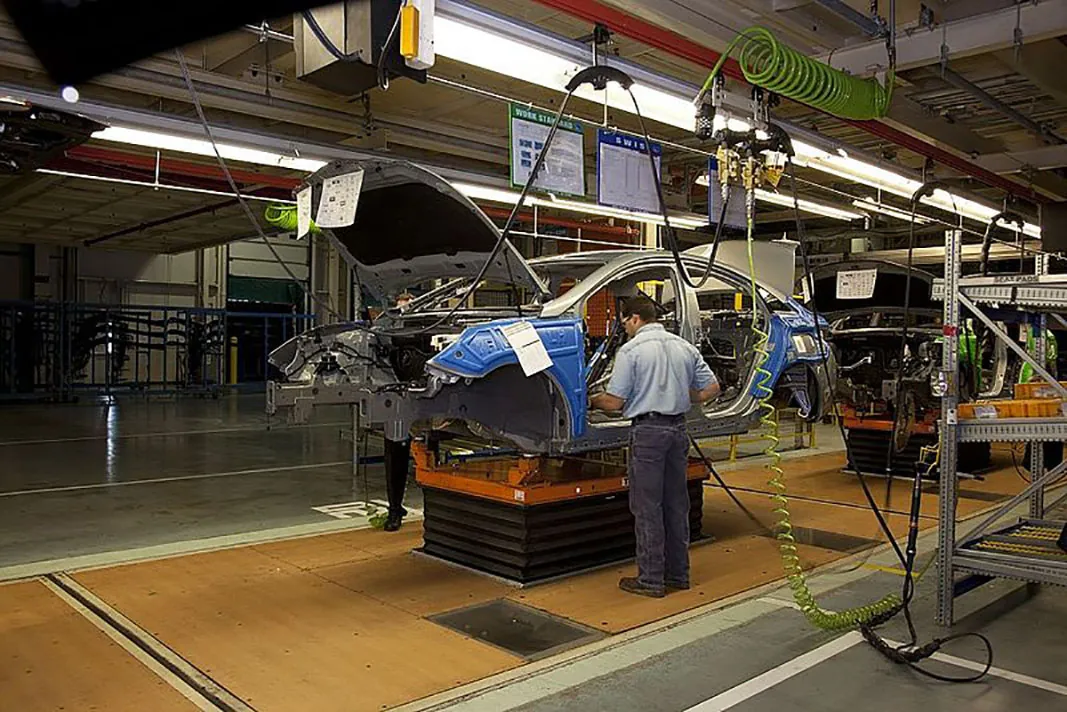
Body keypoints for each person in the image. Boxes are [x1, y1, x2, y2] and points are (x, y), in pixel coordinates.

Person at [590, 295, 721, 598]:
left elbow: (614, 403)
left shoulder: (631, 351)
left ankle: (650, 580)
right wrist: (679, 396)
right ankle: (678, 575)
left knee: (647, 507)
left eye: (624, 323)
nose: (624, 329)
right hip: (677, 431)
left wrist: (589, 398)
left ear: (634, 318)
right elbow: (712, 388)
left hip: (649, 433)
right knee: (676, 505)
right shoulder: (683, 346)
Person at [382, 292, 416, 532]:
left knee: (428, 452)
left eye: (408, 306)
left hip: (430, 396)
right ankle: (395, 509)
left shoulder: (429, 327)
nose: (403, 311)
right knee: (396, 454)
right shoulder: (385, 329)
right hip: (397, 399)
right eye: (400, 307)